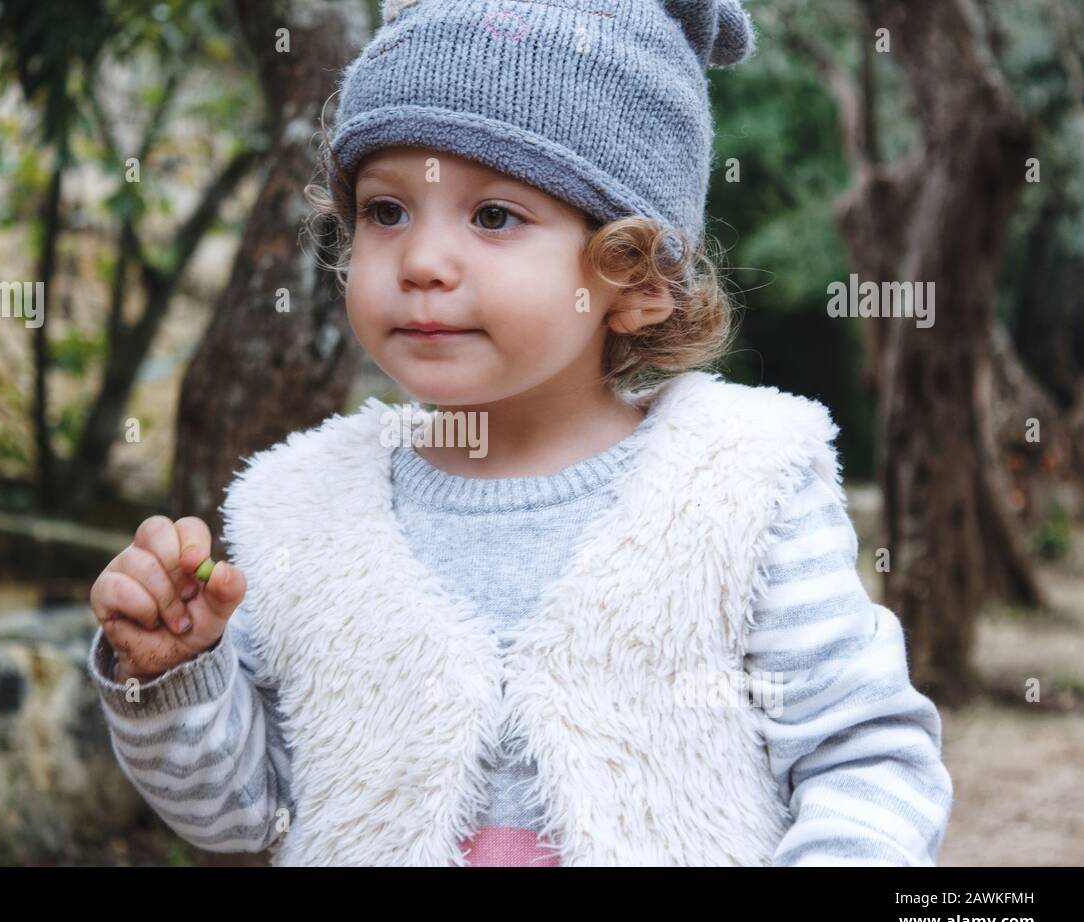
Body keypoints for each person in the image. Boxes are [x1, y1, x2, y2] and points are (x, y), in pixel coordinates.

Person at [86, 0, 954, 866]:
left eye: (494, 216)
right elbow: (245, 815)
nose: (420, 262)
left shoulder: (740, 486)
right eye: (386, 211)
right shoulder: (303, 510)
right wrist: (175, 676)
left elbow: (861, 752)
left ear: (638, 276)